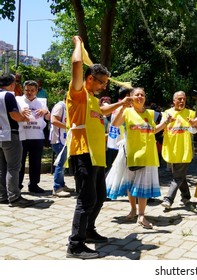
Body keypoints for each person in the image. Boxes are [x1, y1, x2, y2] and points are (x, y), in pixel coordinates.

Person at [65, 36, 132, 259]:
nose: (104, 86)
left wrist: (121, 103)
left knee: (99, 196)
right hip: (82, 152)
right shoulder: (78, 93)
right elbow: (76, 65)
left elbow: (103, 111)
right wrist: (78, 45)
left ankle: (88, 231)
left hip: (96, 156)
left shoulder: (93, 99)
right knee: (86, 199)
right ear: (90, 78)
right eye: (102, 82)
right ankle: (75, 245)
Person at [108, 87, 172, 228]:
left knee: (142, 185)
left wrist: (166, 122)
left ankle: (141, 216)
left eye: (142, 95)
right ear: (131, 97)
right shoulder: (127, 112)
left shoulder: (149, 114)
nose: (140, 97)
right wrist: (123, 107)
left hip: (148, 154)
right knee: (131, 184)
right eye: (137, 95)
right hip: (131, 153)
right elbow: (115, 124)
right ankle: (133, 210)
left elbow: (153, 130)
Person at [160, 91, 197, 210]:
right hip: (172, 149)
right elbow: (161, 128)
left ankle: (168, 199)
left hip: (184, 150)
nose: (182, 101)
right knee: (180, 175)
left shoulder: (190, 113)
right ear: (174, 101)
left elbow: (194, 132)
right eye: (179, 99)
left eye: (184, 99)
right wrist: (167, 121)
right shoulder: (167, 113)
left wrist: (194, 124)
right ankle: (186, 197)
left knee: (177, 176)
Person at [0, 74, 35, 207]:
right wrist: (24, 118)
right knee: (13, 167)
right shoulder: (8, 95)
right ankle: (14, 197)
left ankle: (2, 195)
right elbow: (14, 115)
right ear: (12, 84)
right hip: (10, 135)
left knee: (2, 168)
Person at [16, 80, 50, 193]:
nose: (29, 92)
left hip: (37, 136)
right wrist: (21, 112)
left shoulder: (42, 101)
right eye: (27, 90)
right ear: (23, 90)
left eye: (32, 90)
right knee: (19, 162)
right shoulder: (17, 100)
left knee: (35, 162)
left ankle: (34, 184)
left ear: (37, 91)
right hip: (22, 135)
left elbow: (49, 118)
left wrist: (45, 111)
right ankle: (17, 185)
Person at [49, 96, 74, 197]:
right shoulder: (60, 106)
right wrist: (68, 127)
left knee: (64, 163)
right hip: (59, 140)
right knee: (61, 163)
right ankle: (57, 188)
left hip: (65, 140)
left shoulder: (67, 107)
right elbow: (54, 121)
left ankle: (62, 185)